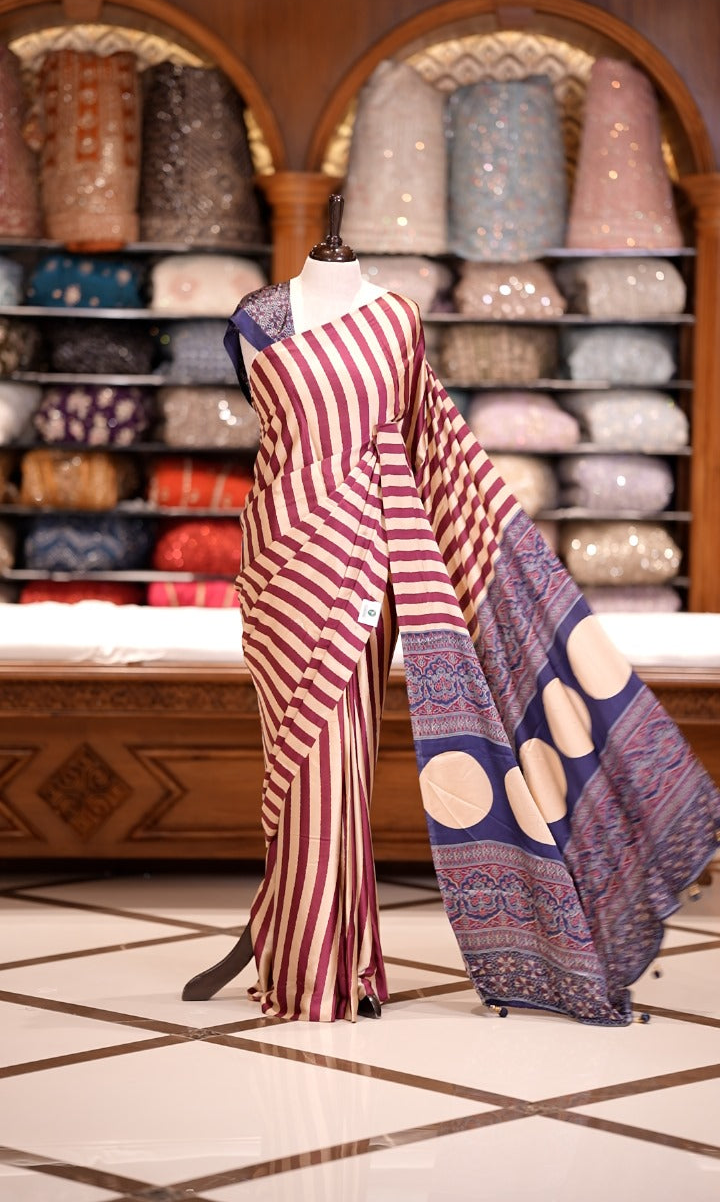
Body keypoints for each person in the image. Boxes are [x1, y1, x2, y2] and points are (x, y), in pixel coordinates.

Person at [183, 197, 720, 1025]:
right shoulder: (256, 317)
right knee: (303, 759)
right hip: (282, 553)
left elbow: (425, 438)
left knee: (337, 754)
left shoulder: (396, 316)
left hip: (371, 544)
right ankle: (311, 944)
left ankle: (321, 963)